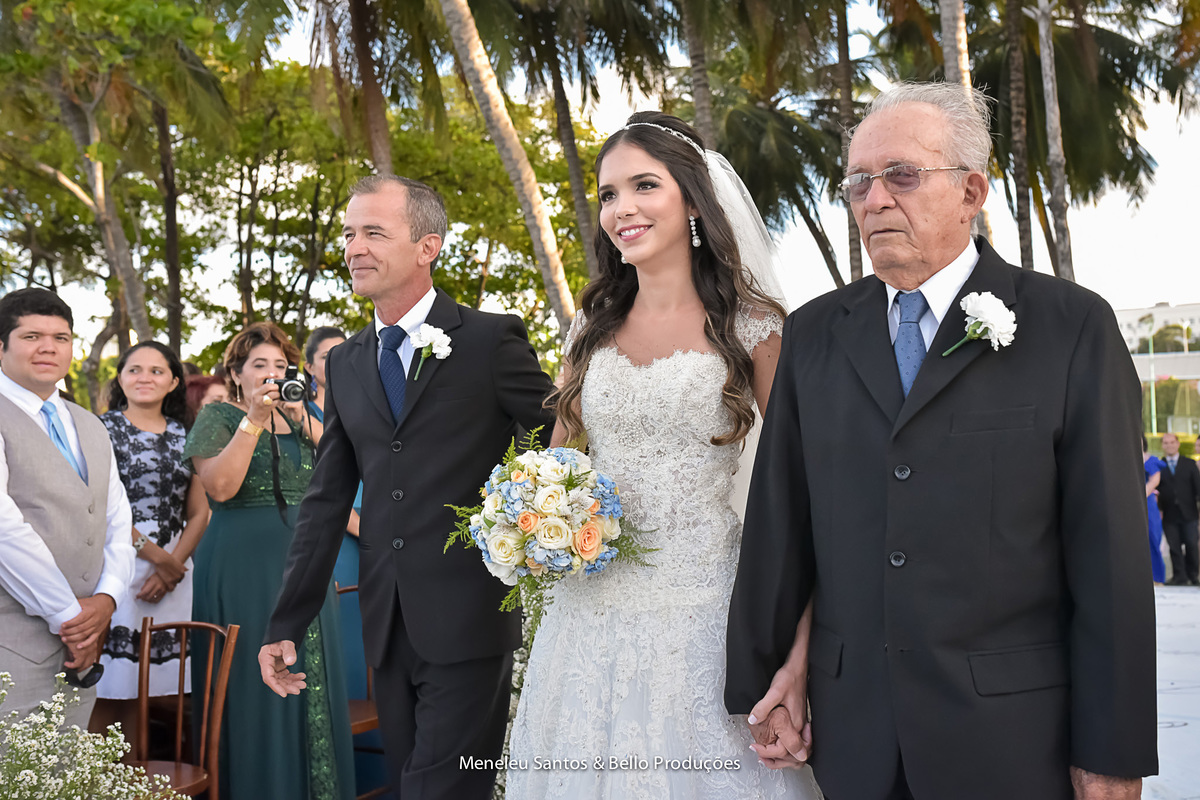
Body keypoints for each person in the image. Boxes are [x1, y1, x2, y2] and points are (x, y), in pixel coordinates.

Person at [725, 81, 1157, 800]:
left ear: (972, 191)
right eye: (858, 181)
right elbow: (782, 527)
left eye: (901, 175)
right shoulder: (813, 335)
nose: (874, 199)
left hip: (1013, 740)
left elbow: (1109, 559)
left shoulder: (1072, 328)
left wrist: (1111, 750)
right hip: (851, 737)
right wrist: (766, 680)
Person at [505, 112, 820, 799]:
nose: (623, 209)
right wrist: (526, 518)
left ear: (692, 199)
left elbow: (804, 489)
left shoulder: (753, 325)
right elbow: (557, 467)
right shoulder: (592, 327)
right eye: (609, 193)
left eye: (644, 185)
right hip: (588, 618)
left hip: (705, 613)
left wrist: (796, 653)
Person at [259, 175, 555, 798]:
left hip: (470, 615)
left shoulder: (491, 340)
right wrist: (285, 620)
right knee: (406, 781)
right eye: (348, 233)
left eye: (373, 232)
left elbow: (566, 442)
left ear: (428, 246)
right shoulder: (345, 362)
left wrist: (531, 522)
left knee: (438, 789)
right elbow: (326, 499)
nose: (354, 247)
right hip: (387, 624)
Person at [184, 321, 355, 800]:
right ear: (236, 374)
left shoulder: (302, 417)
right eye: (260, 365)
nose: (272, 374)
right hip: (241, 565)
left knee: (314, 670)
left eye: (280, 365)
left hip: (308, 560)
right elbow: (219, 488)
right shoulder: (219, 415)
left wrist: (303, 416)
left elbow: (349, 463)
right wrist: (254, 419)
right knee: (251, 684)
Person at [0, 288, 135, 726]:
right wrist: (70, 617)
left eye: (61, 338)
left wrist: (108, 598)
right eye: (31, 336)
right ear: (1, 345)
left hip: (86, 644)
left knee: (70, 776)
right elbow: (5, 530)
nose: (48, 348)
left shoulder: (90, 423)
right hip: (12, 643)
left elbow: (117, 518)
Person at [89, 342, 209, 736]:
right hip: (118, 564)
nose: (145, 378)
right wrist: (162, 560)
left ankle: (132, 787)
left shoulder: (187, 434)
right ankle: (93, 791)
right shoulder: (99, 430)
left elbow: (199, 512)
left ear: (174, 381)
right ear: (120, 378)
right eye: (134, 369)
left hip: (177, 568)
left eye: (156, 371)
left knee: (144, 691)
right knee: (108, 687)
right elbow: (100, 508)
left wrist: (174, 566)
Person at [1158, 431, 1200, 586]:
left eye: (1172, 442)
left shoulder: (1189, 464)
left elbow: (1198, 489)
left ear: (1178, 444)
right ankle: (1179, 576)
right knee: (1174, 546)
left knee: (1191, 544)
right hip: (1169, 514)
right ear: (1162, 445)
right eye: (1166, 443)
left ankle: (1193, 575)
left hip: (1189, 513)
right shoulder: (1159, 465)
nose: (1169, 445)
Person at [1143, 435, 1166, 585]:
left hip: (1147, 501)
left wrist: (1139, 495)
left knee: (1152, 537)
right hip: (1128, 503)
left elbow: (1155, 480)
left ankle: (1157, 577)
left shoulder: (1151, 460)